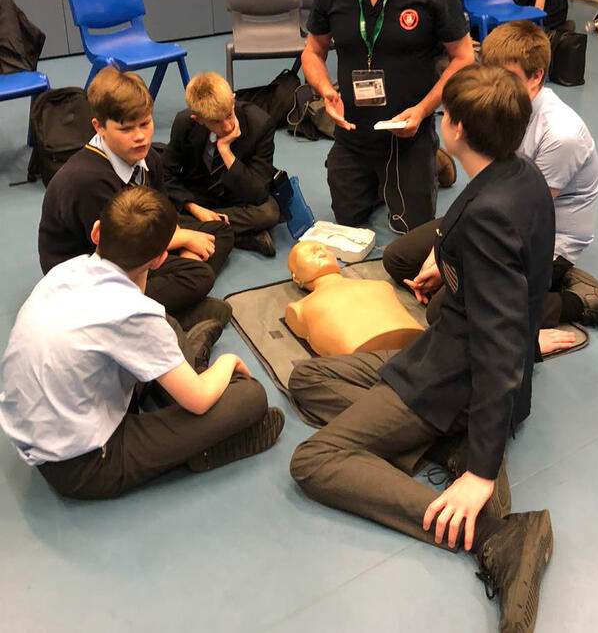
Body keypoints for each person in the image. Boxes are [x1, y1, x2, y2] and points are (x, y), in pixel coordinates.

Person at [289, 65, 555, 632]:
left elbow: (502, 348)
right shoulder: (520, 175)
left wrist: (483, 472)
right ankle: (439, 442)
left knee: (314, 461)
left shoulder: (488, 216)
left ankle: (497, 535)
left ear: (454, 129)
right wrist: (452, 274)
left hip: (452, 378)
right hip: (438, 353)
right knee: (307, 380)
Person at [384, 21, 598, 357]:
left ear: (535, 76)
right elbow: (484, 191)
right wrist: (441, 251)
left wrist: (446, 259)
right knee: (398, 261)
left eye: (504, 75)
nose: (491, 84)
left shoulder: (561, 134)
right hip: (493, 216)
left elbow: (521, 217)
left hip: (544, 239)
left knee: (443, 312)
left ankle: (577, 301)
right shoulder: (501, 108)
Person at [1, 186, 284, 500]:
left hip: (48, 429)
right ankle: (202, 441)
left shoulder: (65, 271)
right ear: (160, 258)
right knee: (250, 396)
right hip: (85, 466)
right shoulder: (135, 313)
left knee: (167, 324)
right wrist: (228, 362)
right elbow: (200, 401)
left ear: (97, 232)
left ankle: (187, 379)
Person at [302, 0, 474, 233]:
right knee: (349, 219)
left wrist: (423, 110)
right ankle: (383, 177)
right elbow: (313, 51)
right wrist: (324, 90)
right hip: (353, 130)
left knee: (414, 229)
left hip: (408, 132)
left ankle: (431, 159)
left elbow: (463, 58)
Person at [38, 66, 233, 327]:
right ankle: (167, 305)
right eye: (126, 129)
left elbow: (164, 213)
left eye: (145, 123)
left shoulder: (148, 157)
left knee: (221, 231)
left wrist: (179, 244)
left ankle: (173, 302)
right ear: (99, 128)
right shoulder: (87, 180)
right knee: (198, 275)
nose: (140, 136)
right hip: (92, 276)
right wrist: (183, 239)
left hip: (139, 244)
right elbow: (120, 252)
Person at [163, 72, 280, 258]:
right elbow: (167, 175)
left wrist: (225, 151)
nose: (227, 126)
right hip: (199, 194)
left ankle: (198, 231)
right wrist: (194, 208)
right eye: (216, 121)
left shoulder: (260, 124)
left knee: (269, 212)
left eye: (229, 115)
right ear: (199, 120)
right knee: (155, 207)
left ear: (233, 100)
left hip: (239, 194)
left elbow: (257, 192)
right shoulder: (184, 123)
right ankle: (237, 234)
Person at [285, 240, 423, 355]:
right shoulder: (298, 309)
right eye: (309, 252)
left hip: (417, 343)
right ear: (296, 277)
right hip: (363, 357)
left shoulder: (381, 286)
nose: (320, 250)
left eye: (325, 249)